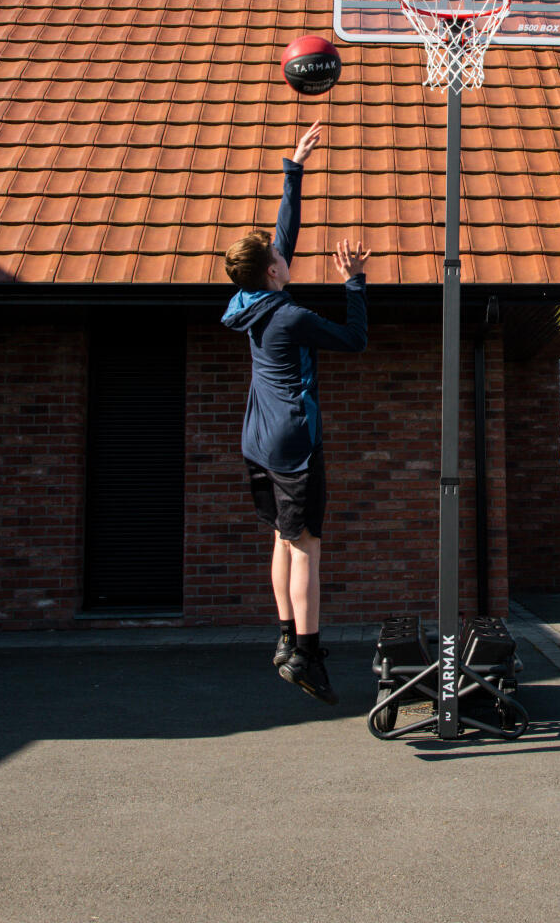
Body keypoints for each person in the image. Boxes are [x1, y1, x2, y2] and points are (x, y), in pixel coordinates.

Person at [221, 122, 369, 705]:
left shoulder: (247, 303)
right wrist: (355, 283)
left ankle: (285, 639)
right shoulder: (290, 316)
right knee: (307, 543)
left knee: (282, 540)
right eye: (281, 257)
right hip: (293, 443)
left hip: (257, 441)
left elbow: (282, 235)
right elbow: (354, 340)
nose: (286, 253)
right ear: (273, 272)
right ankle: (307, 653)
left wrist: (294, 167)